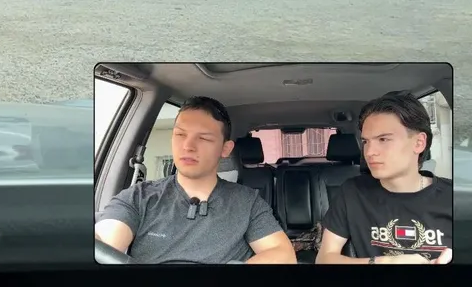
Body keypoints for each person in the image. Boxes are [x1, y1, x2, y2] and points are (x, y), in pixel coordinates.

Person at [95, 96, 296, 264]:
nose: (188, 146)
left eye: (204, 138)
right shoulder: (138, 197)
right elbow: (105, 243)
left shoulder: (247, 202)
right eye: (180, 134)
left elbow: (282, 253)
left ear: (225, 149)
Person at [316, 91, 453, 265]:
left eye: (383, 139)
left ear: (419, 143)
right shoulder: (352, 193)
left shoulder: (454, 197)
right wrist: (383, 262)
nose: (369, 152)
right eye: (365, 142)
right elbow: (325, 258)